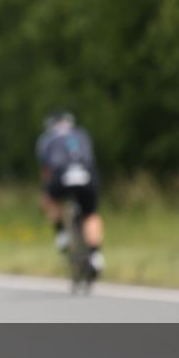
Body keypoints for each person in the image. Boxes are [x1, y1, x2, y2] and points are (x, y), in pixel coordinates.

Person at [35, 111, 105, 279]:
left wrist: (49, 188)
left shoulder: (47, 139)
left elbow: (46, 171)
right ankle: (96, 256)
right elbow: (90, 158)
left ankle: (61, 233)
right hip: (86, 175)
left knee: (48, 200)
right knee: (90, 215)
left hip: (61, 175)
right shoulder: (81, 134)